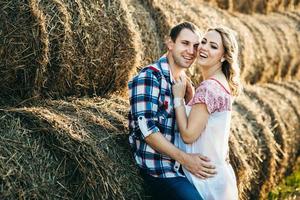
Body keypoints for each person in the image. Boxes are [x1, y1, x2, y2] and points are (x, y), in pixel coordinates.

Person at [128, 22, 217, 200]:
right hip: (160, 170)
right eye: (185, 43)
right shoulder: (150, 77)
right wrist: (186, 159)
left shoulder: (184, 83)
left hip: (182, 169)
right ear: (170, 43)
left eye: (195, 46)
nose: (191, 51)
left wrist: (189, 101)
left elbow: (190, 130)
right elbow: (148, 132)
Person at [172, 26, 242, 200]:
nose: (204, 48)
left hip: (204, 179)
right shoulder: (221, 84)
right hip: (217, 176)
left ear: (224, 56)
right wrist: (193, 98)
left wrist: (178, 99)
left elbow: (188, 135)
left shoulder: (209, 88)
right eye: (203, 42)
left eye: (213, 46)